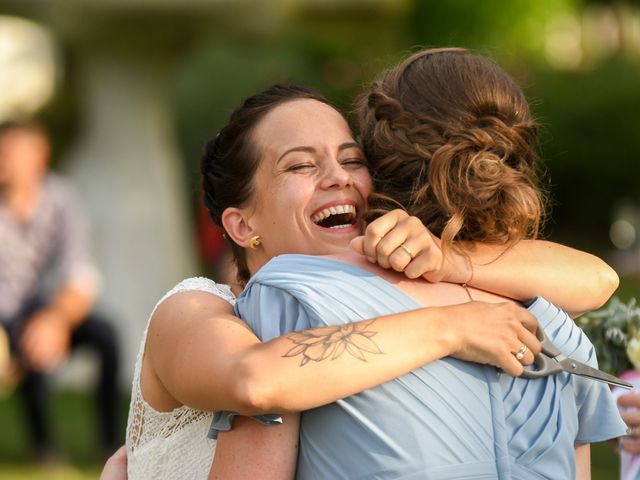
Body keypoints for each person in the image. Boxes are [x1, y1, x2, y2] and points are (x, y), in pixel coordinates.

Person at [210, 51, 626, 479]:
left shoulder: (289, 295)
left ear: (384, 164)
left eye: (353, 160)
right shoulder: (555, 321)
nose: (339, 178)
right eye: (300, 165)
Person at [0, 121, 121, 460]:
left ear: (40, 157)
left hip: (51, 309)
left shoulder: (62, 200)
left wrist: (56, 320)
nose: (2, 160)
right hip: (5, 317)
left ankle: (109, 442)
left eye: (10, 153)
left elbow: (81, 275)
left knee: (106, 336)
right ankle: (44, 448)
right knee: (27, 335)